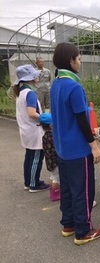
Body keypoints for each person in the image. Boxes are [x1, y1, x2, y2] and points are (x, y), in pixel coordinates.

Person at [50, 42, 100, 245]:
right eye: (79, 58)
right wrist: (94, 145)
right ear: (70, 61)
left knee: (68, 188)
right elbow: (82, 120)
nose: (80, 62)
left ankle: (69, 224)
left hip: (62, 147)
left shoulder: (56, 83)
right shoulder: (74, 86)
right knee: (83, 190)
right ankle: (83, 230)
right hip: (77, 149)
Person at [13, 64, 48, 192]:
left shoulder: (21, 92)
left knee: (29, 157)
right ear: (30, 78)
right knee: (36, 158)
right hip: (34, 130)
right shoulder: (30, 93)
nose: (37, 76)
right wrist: (45, 119)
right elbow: (32, 113)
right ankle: (34, 184)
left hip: (26, 129)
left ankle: (28, 181)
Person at [39, 113, 60, 201]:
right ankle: (55, 194)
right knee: (57, 178)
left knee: (53, 176)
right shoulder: (53, 136)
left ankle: (53, 192)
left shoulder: (45, 136)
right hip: (55, 161)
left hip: (49, 161)